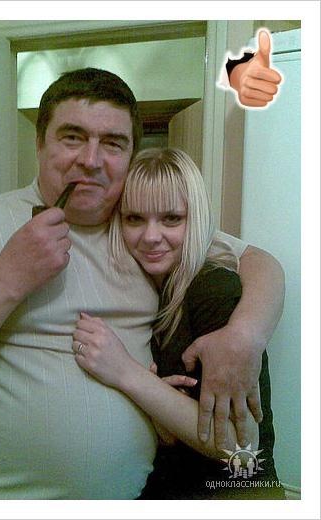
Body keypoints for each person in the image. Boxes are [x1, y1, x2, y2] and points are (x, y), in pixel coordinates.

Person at [0, 68, 284, 499]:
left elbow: (260, 262)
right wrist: (8, 277)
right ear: (40, 143)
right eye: (72, 137)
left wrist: (245, 335)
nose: (91, 160)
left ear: (130, 156)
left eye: (113, 143)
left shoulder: (139, 224)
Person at [72, 147, 285, 499]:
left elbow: (241, 446)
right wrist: (162, 415)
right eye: (135, 219)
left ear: (195, 220)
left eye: (171, 218)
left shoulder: (213, 288)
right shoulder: (153, 288)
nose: (151, 236)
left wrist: (126, 372)